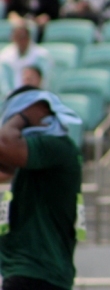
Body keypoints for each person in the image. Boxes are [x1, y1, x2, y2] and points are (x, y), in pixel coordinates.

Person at [0, 86, 84, 290]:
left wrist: (23, 117)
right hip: (26, 273)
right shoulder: (29, 160)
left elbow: (4, 142)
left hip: (38, 273)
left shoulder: (58, 147)